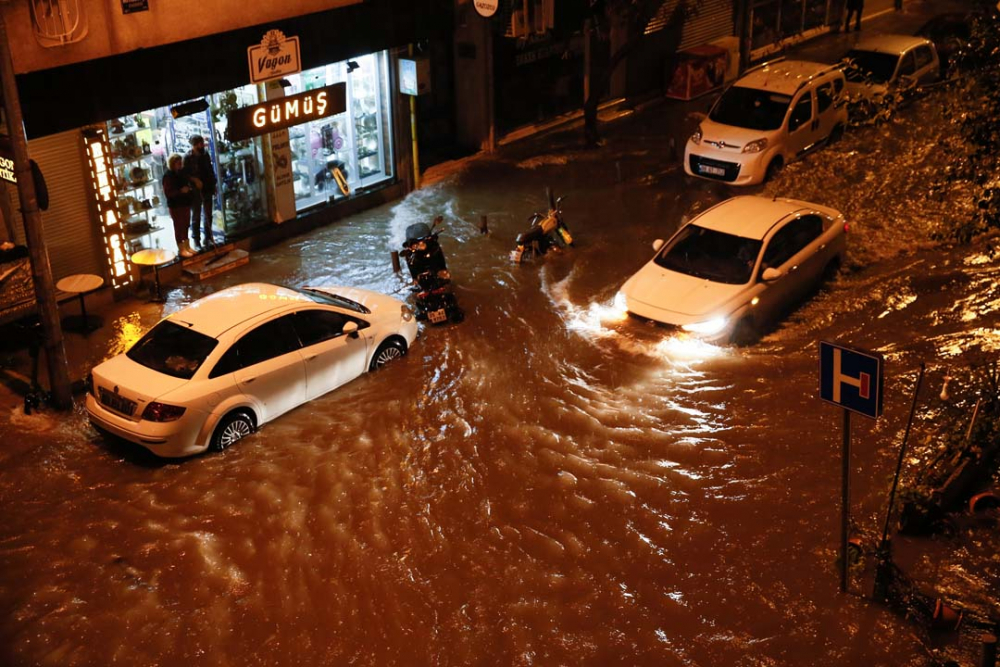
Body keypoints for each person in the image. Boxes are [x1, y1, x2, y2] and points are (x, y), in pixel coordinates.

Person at [183, 135, 218, 251]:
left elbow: (210, 170)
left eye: (202, 143)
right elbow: (185, 175)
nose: (201, 146)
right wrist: (195, 180)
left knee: (208, 214)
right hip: (196, 191)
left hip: (207, 188)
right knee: (196, 216)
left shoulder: (205, 155)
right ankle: (196, 241)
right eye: (198, 144)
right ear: (193, 145)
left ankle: (208, 238)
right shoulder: (187, 158)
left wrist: (214, 185)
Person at [162, 153, 196, 257]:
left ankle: (187, 246)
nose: (180, 165)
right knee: (179, 226)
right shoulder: (168, 176)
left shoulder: (182, 173)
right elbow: (168, 192)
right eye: (178, 163)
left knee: (186, 225)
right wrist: (180, 191)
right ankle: (181, 248)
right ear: (173, 164)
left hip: (185, 202)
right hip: (175, 205)